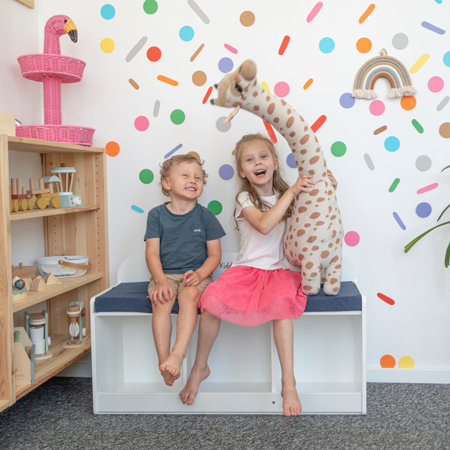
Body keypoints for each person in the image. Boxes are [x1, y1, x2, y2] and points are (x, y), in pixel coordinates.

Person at [180, 133, 337, 416]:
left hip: (279, 272)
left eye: (263, 157)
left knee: (282, 308)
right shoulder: (244, 198)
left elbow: (316, 211)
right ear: (242, 171)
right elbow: (264, 225)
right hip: (246, 271)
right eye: (249, 160)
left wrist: (325, 186)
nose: (257, 163)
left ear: (275, 163)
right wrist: (292, 193)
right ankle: (199, 367)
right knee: (212, 299)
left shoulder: (289, 194)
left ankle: (289, 383)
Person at [145, 154, 225, 386]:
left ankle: (178, 354)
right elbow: (151, 252)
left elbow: (215, 255)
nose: (193, 180)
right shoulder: (156, 215)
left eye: (198, 177)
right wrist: (160, 281)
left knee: (189, 296)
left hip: (196, 276)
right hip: (165, 274)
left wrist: (200, 274)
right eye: (186, 175)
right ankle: (164, 363)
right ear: (167, 183)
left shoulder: (206, 216)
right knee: (161, 301)